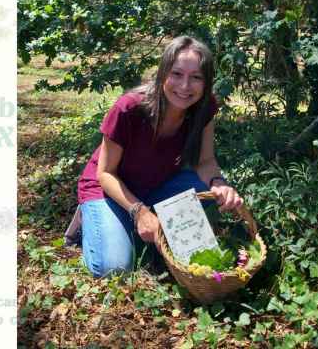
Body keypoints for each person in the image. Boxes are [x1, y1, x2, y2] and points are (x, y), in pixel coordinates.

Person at [76, 36, 244, 278]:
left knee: (207, 192)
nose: (185, 86)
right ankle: (98, 220)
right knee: (113, 268)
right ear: (162, 73)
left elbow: (205, 162)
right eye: (176, 74)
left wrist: (219, 183)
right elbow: (105, 173)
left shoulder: (205, 107)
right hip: (110, 189)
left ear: (206, 82)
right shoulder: (129, 108)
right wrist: (140, 212)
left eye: (196, 77)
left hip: (157, 183)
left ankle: (135, 228)